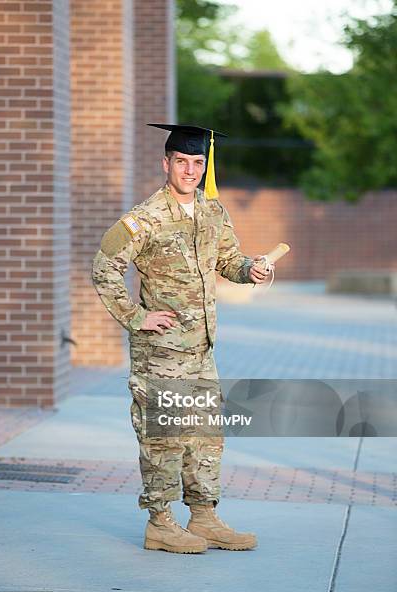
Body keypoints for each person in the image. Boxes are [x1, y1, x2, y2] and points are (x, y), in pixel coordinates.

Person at [92, 123, 272, 554]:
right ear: (166, 164)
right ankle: (161, 523)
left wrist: (252, 271)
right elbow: (104, 269)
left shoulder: (213, 212)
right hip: (162, 354)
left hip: (202, 350)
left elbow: (228, 260)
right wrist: (137, 317)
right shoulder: (144, 219)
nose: (190, 170)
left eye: (197, 162)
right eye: (182, 162)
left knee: (205, 437)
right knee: (164, 439)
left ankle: (204, 517)